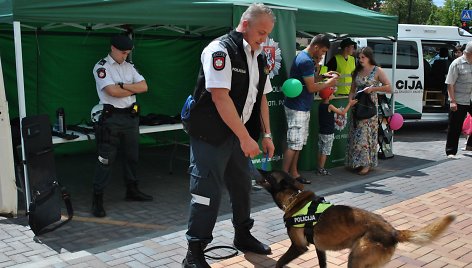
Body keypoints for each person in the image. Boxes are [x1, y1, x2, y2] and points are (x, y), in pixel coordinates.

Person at [182, 4, 276, 267]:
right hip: (210, 135)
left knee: (242, 186)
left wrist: (266, 134)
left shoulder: (258, 57)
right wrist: (246, 138)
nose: (263, 39)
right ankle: (194, 251)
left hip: (238, 134)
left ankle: (243, 235)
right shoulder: (219, 50)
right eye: (260, 32)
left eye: (267, 34)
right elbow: (220, 97)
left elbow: (262, 99)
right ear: (245, 25)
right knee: (206, 192)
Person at [91, 35, 152, 218]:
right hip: (111, 119)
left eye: (128, 53)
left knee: (132, 156)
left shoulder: (129, 66)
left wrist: (123, 85)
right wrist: (129, 88)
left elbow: (144, 87)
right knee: (106, 160)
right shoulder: (102, 67)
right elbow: (112, 92)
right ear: (113, 48)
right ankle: (97, 199)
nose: (125, 56)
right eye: (123, 52)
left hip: (130, 117)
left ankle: (132, 190)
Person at [282, 34, 338, 185]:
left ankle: (293, 173)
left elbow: (309, 81)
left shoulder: (304, 58)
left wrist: (323, 76)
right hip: (297, 107)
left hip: (301, 106)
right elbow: (312, 87)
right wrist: (330, 82)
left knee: (298, 143)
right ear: (316, 47)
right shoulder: (306, 61)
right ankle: (283, 179)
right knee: (294, 143)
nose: (323, 55)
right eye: (323, 51)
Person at [345, 47, 391, 175]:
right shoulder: (357, 71)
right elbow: (352, 90)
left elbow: (389, 87)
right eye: (358, 58)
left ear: (369, 57)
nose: (360, 60)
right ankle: (356, 162)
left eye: (363, 57)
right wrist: (350, 102)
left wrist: (373, 89)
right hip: (357, 106)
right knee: (356, 134)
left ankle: (366, 164)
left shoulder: (377, 70)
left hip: (369, 107)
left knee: (365, 135)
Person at [317, 88, 357, 175]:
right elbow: (342, 113)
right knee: (325, 151)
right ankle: (321, 169)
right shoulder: (330, 106)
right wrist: (350, 104)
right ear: (328, 97)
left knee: (321, 150)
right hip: (328, 133)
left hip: (322, 132)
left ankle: (319, 167)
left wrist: (335, 121)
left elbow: (326, 117)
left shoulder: (320, 105)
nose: (333, 94)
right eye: (331, 93)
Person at [444, 41, 472, 156]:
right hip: (459, 99)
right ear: (469, 53)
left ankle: (470, 144)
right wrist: (452, 101)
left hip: (471, 98)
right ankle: (451, 152)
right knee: (455, 127)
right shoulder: (457, 64)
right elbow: (450, 83)